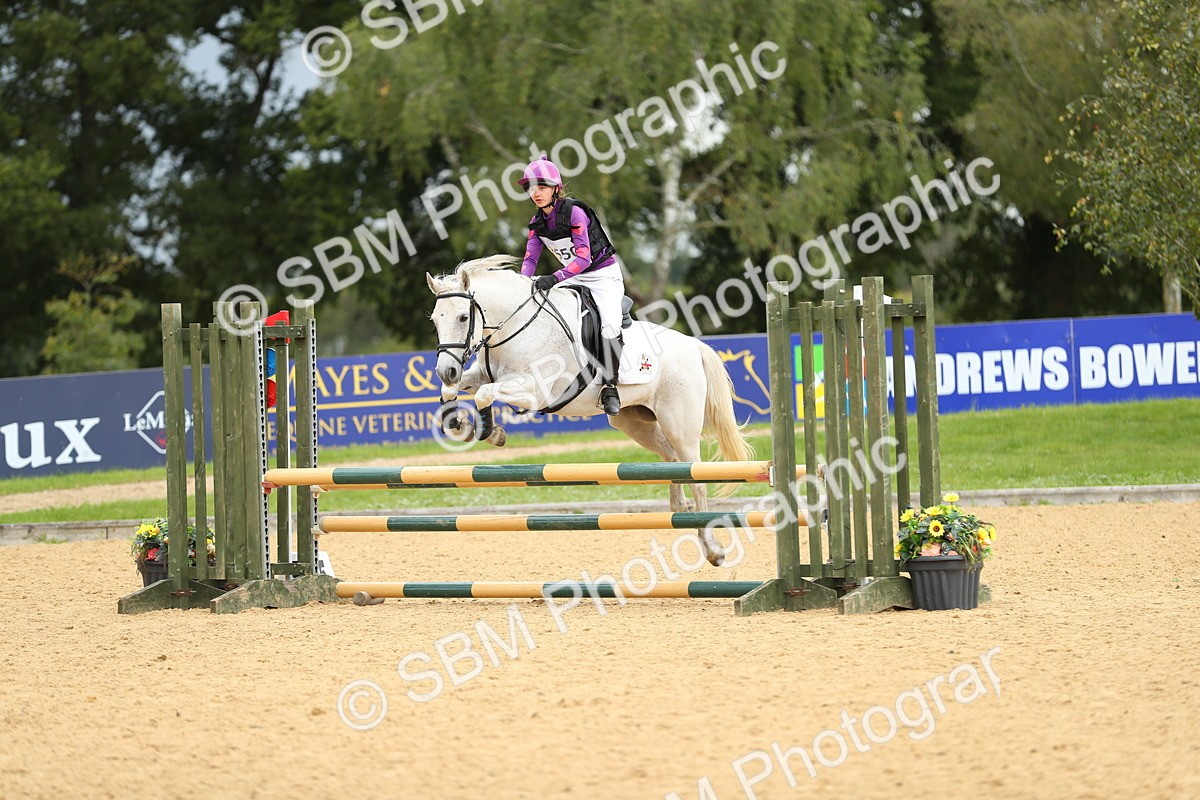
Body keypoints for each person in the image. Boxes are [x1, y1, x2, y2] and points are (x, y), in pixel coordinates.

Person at [518, 155, 625, 416]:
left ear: (556, 188)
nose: (536, 193)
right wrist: (521, 285)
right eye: (531, 188)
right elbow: (530, 258)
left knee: (610, 323)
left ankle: (610, 385)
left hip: (602, 276)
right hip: (572, 276)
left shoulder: (574, 212)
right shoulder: (537, 223)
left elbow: (584, 257)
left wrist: (553, 279)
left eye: (541, 187)